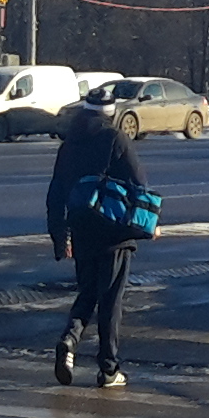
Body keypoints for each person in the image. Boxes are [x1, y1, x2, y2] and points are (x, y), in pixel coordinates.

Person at [45, 98, 151, 388]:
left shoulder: (69, 145)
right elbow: (139, 182)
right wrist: (147, 223)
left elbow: (56, 194)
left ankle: (70, 339)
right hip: (114, 232)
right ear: (111, 113)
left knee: (88, 292)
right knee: (111, 301)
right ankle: (108, 369)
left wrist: (60, 237)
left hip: (81, 230)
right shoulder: (116, 139)